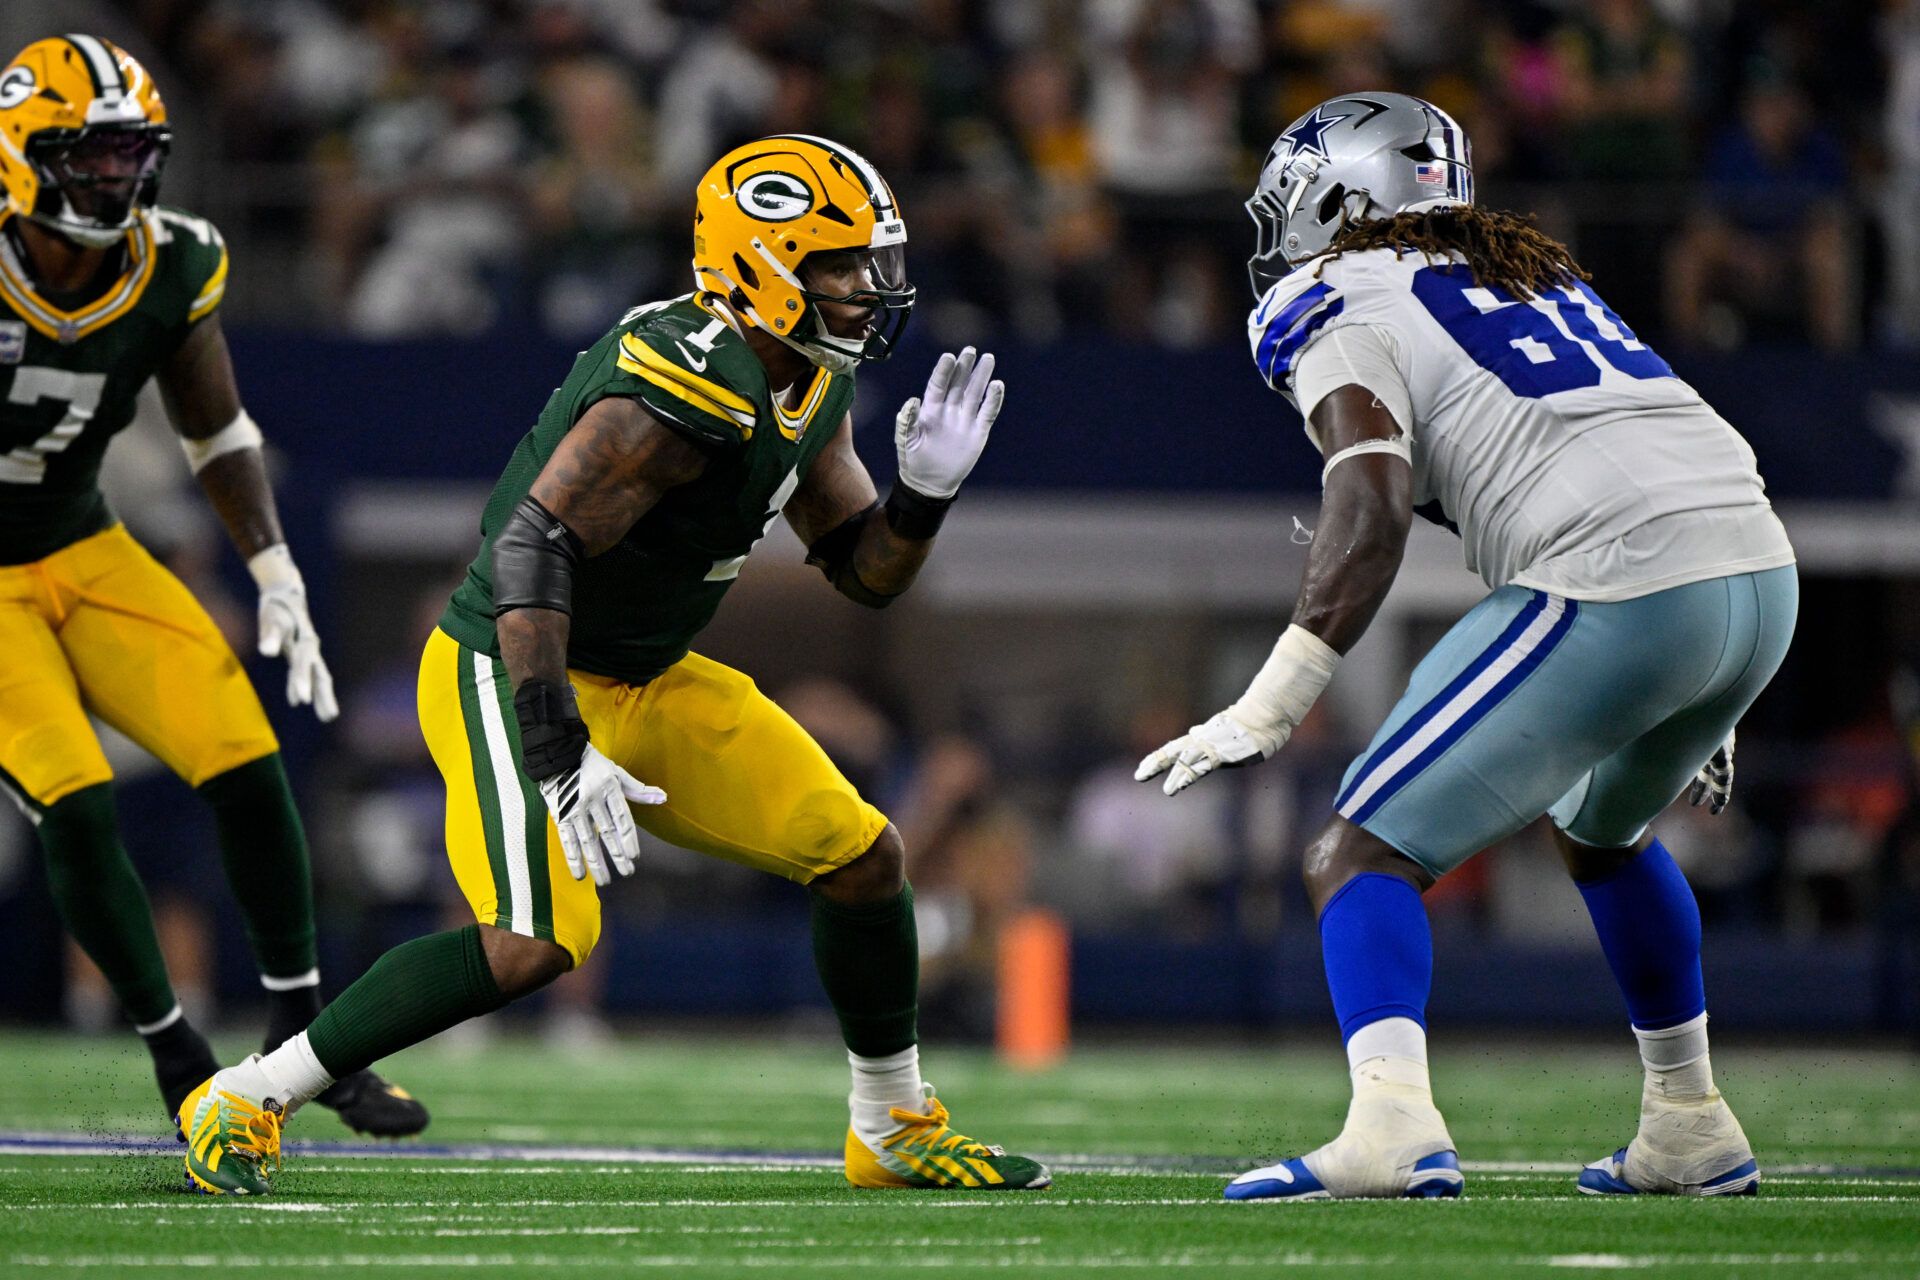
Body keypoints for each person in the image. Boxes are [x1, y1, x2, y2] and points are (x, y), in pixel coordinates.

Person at [178, 133, 1049, 1197]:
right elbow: (529, 548)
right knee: (535, 938)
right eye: (840, 264)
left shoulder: (805, 378)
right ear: (757, 264)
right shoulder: (690, 374)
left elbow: (862, 572)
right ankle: (249, 1093)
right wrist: (556, 743)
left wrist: (921, 495)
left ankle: (893, 1124)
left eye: (872, 262)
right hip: (510, 662)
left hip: (645, 676)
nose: (868, 288)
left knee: (863, 853)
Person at [1137, 93, 1796, 1201]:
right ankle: (1690, 1117)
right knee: (1604, 830)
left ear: (1344, 201)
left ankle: (1391, 1124)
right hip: (1757, 573)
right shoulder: (1535, 273)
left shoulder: (1328, 289)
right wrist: (1698, 681)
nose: (1277, 235)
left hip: (1624, 579)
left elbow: (1373, 498)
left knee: (1356, 851)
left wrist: (1274, 697)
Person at [0, 35, 426, 1136]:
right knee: (76, 801)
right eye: (88, 155)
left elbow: (214, 425)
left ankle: (307, 1043)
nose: (115, 177)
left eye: (130, 153)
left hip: (85, 545)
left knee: (245, 760)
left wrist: (273, 566)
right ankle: (176, 1052)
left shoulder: (174, 257)